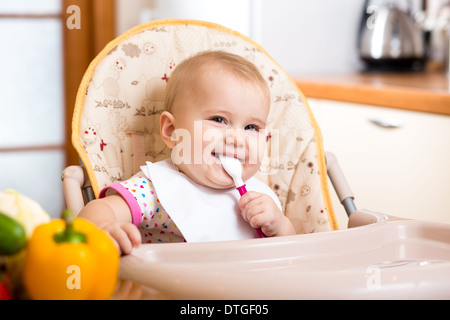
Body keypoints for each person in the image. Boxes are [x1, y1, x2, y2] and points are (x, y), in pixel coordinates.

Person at [78, 51, 295, 254]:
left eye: (251, 127)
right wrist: (104, 228)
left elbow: (291, 255)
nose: (237, 139)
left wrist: (281, 227)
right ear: (172, 132)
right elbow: (101, 208)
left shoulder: (260, 197)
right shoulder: (155, 189)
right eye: (219, 120)